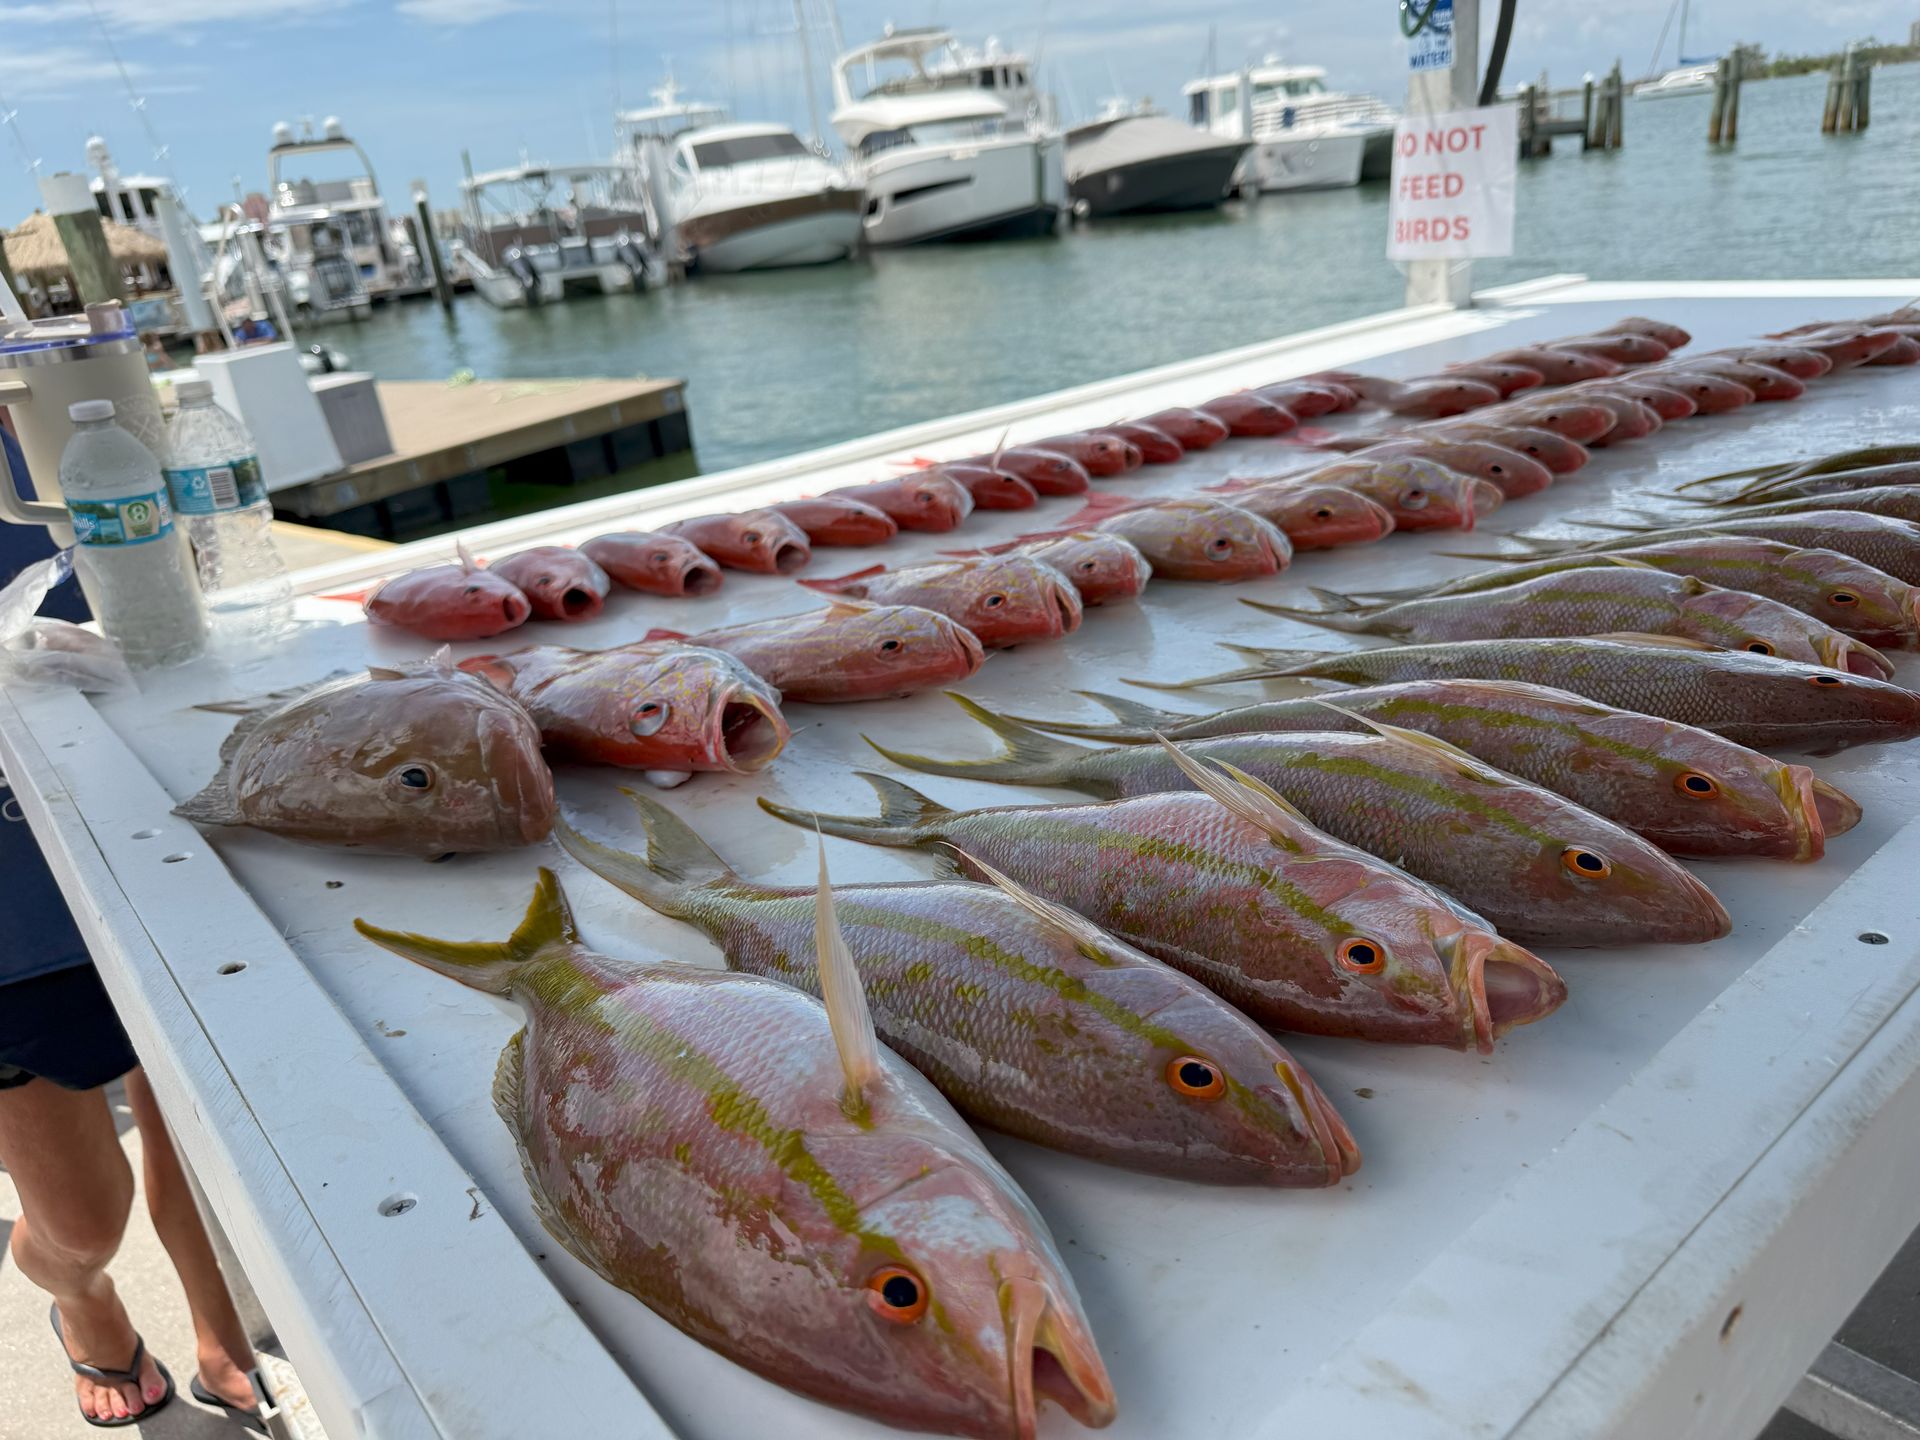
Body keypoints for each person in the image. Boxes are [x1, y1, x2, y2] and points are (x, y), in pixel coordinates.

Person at [0, 419, 270, 1428]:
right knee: (80, 1223)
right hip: (14, 921)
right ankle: (80, 1300)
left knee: (203, 1122)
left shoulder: (56, 394)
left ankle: (222, 1330)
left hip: (149, 807)